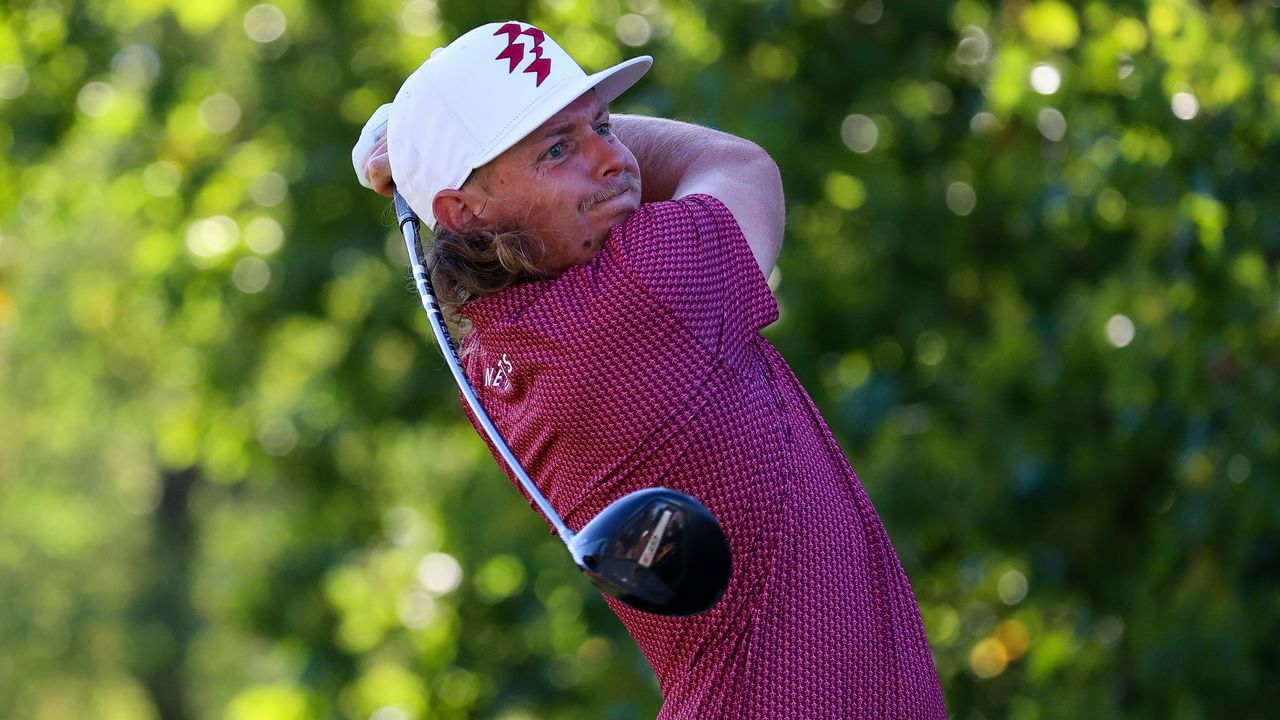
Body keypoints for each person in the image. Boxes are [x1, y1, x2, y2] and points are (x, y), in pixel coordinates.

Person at [353, 21, 946, 719]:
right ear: (464, 211)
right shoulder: (652, 285)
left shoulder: (490, 368)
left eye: (604, 123)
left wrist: (449, 149)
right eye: (557, 149)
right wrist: (429, 141)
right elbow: (741, 164)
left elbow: (593, 175)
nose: (612, 157)